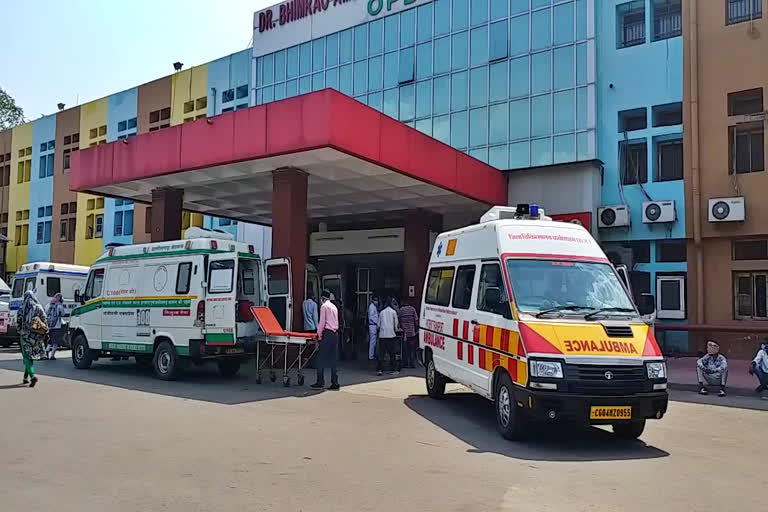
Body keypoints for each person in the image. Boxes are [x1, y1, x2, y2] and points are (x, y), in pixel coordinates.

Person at [17, 290, 48, 387]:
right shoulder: (38, 307)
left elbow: (19, 324)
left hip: (25, 337)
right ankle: (25, 378)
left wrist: (20, 332)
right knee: (30, 357)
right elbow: (45, 319)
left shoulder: (21, 309)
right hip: (37, 337)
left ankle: (32, 376)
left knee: (26, 357)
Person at [311, 289, 340, 390]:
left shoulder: (324, 306)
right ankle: (335, 382)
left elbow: (322, 322)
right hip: (335, 334)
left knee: (320, 358)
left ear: (322, 298)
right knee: (333, 359)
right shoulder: (334, 307)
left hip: (327, 333)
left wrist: (318, 335)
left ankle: (320, 381)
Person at [377, 298, 400, 376]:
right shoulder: (393, 312)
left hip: (382, 335)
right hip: (391, 335)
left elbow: (378, 324)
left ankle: (380, 369)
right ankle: (394, 369)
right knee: (392, 353)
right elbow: (396, 324)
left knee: (381, 353)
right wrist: (396, 330)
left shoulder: (381, 312)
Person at [398, 298, 419, 369]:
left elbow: (398, 319)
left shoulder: (401, 310)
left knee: (405, 349)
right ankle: (412, 363)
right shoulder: (413, 309)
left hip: (404, 333)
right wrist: (416, 329)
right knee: (412, 349)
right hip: (412, 332)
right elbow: (416, 320)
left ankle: (405, 363)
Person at [45, 292, 65, 360]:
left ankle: (47, 349)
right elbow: (63, 314)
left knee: (50, 339)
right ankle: (52, 355)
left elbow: (46, 312)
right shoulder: (59, 306)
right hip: (57, 325)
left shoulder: (48, 305)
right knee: (55, 341)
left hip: (50, 325)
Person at [368, 296, 380, 364]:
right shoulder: (372, 307)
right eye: (375, 300)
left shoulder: (373, 307)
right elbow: (372, 317)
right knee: (373, 341)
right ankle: (371, 355)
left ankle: (372, 355)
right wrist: (377, 322)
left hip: (373, 325)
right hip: (373, 325)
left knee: (373, 341)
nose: (376, 301)